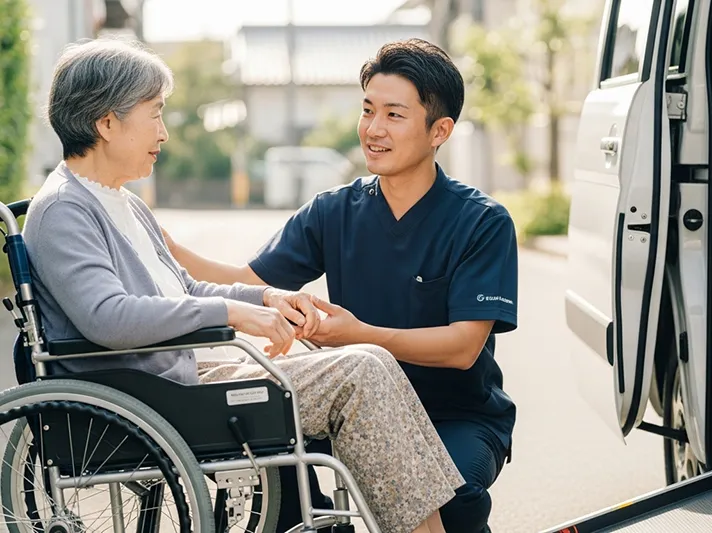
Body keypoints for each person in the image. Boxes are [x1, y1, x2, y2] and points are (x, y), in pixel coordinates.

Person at [22, 38, 465, 533]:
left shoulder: (119, 201)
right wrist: (231, 315)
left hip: (182, 380)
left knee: (370, 361)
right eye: (155, 114)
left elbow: (185, 288)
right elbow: (107, 316)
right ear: (107, 123)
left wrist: (266, 297)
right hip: (161, 394)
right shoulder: (66, 209)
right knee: (359, 372)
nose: (164, 133)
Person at [164, 38, 518, 533]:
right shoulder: (334, 211)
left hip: (454, 416)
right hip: (347, 410)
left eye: (394, 115)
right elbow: (247, 281)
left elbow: (462, 348)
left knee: (452, 500)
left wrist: (359, 335)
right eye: (367, 110)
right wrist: (166, 247)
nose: (373, 130)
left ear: (440, 130)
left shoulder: (481, 222)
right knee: (277, 472)